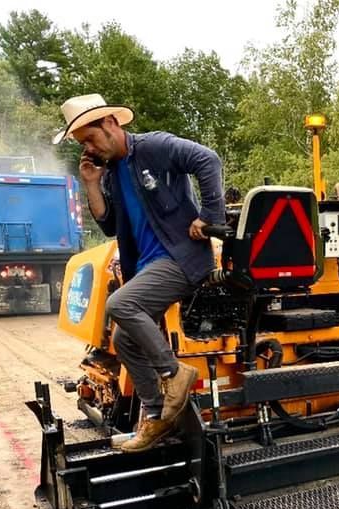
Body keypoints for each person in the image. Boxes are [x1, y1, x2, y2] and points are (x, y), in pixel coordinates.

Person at [53, 94, 226, 452]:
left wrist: (210, 217)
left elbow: (207, 159)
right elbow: (111, 225)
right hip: (148, 266)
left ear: (111, 124)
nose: (88, 148)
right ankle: (158, 417)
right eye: (82, 143)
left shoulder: (155, 147)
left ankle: (175, 374)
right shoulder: (113, 174)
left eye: (90, 138)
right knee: (123, 341)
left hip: (182, 258)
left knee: (120, 304)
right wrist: (90, 183)